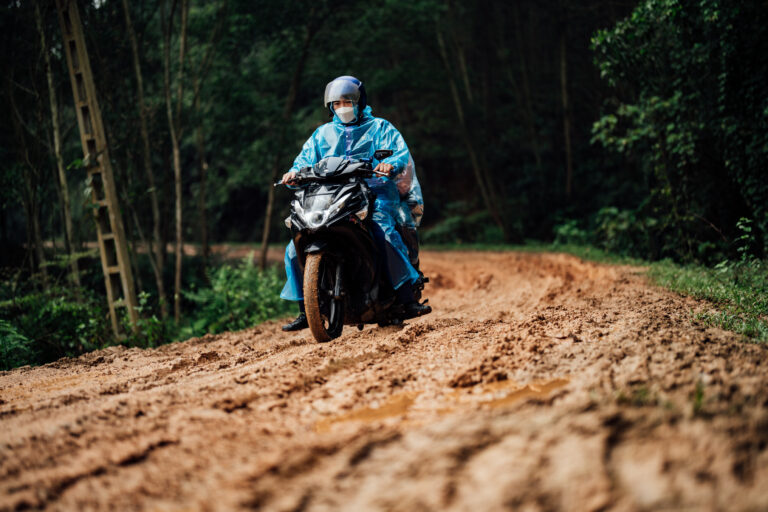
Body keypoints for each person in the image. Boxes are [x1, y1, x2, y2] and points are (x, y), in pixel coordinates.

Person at [280, 76, 431, 331]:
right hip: (332, 196)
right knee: (294, 247)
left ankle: (406, 297)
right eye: (336, 103)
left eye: (347, 101)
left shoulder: (381, 128)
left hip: (375, 194)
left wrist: (388, 164)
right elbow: (303, 160)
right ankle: (307, 309)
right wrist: (294, 173)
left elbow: (399, 154)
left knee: (383, 233)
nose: (342, 107)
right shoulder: (322, 134)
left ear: (360, 102)